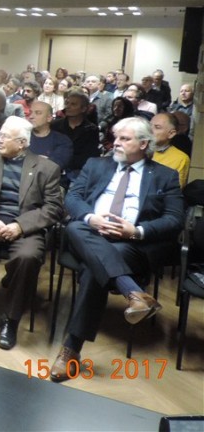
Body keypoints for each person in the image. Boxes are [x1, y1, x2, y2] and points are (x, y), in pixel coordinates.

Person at [50, 117, 184, 382]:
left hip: (129, 244)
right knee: (76, 227)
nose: (116, 143)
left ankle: (70, 350)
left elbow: (174, 219)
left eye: (125, 138)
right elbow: (73, 197)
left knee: (94, 267)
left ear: (143, 144)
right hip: (90, 233)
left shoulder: (164, 175)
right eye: (116, 137)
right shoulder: (96, 164)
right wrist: (92, 218)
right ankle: (133, 293)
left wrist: (135, 231)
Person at [0, 116, 64, 350]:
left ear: (22, 143)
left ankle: (11, 318)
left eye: (5, 136)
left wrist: (20, 225)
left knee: (27, 257)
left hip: (26, 227)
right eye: (0, 134)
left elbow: (53, 208)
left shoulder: (47, 168)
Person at [50, 91, 100, 182]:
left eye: (73, 104)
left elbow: (90, 155)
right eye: (67, 103)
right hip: (55, 168)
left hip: (78, 171)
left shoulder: (91, 129)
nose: (68, 106)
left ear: (83, 109)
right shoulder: (55, 126)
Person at [27, 101, 73, 172]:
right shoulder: (21, 136)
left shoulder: (62, 141)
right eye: (30, 112)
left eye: (38, 113)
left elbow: (54, 166)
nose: (31, 116)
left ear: (49, 118)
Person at [150, 112, 189, 187]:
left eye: (157, 127)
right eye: (149, 126)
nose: (150, 130)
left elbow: (174, 189)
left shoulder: (180, 159)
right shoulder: (138, 149)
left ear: (171, 134)